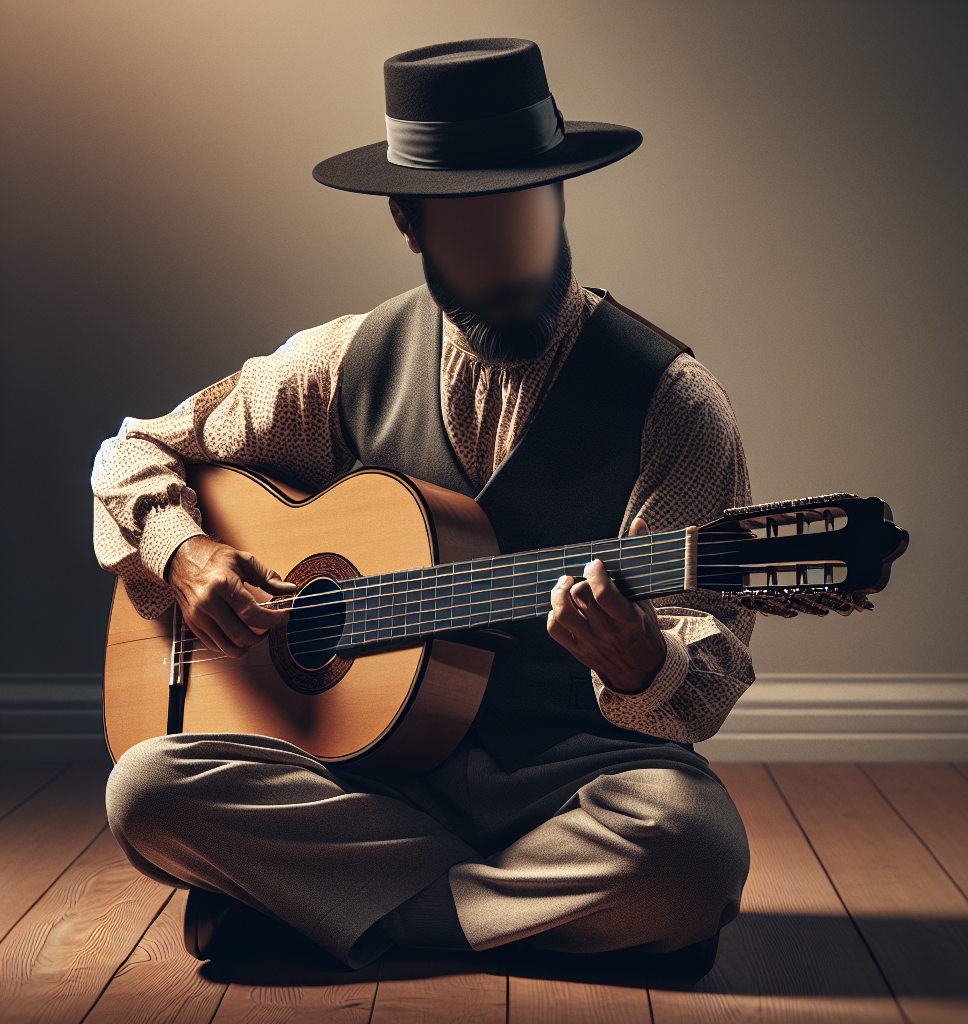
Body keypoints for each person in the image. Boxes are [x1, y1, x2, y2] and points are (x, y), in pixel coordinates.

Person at [93, 38, 754, 973]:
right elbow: (133, 452)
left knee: (691, 853)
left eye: (527, 211)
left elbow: (710, 659)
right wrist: (184, 554)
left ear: (561, 194)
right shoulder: (342, 362)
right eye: (473, 225)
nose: (511, 253)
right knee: (148, 791)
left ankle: (344, 914)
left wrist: (644, 659)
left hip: (573, 779)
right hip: (361, 779)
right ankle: (532, 919)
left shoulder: (672, 402)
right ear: (409, 222)